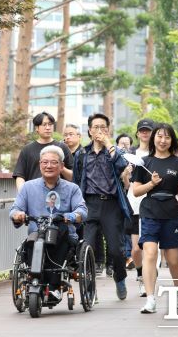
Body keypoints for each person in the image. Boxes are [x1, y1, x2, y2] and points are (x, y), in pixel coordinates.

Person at [9, 145, 87, 300]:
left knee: (58, 231)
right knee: (33, 240)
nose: (48, 166)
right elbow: (14, 209)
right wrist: (18, 215)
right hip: (36, 234)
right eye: (45, 162)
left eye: (53, 162)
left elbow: (82, 211)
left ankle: (54, 286)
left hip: (63, 235)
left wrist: (70, 216)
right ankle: (34, 279)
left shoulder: (72, 189)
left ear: (62, 166)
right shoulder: (28, 188)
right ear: (40, 164)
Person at [132, 123, 178, 314]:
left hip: (171, 212)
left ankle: (177, 289)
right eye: (159, 136)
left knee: (174, 259)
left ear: (172, 140)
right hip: (149, 211)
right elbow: (135, 191)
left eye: (167, 137)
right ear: (153, 138)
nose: (162, 140)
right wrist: (151, 183)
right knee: (150, 254)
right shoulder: (144, 162)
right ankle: (150, 299)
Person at [73, 113, 132, 300]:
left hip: (111, 204)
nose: (99, 130)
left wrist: (108, 144)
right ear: (89, 131)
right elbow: (76, 180)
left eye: (103, 127)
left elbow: (122, 165)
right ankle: (90, 289)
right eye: (95, 127)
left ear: (108, 130)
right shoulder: (82, 154)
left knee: (116, 249)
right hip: (89, 204)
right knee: (87, 249)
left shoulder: (115, 151)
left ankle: (120, 277)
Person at [126, 118, 155, 297]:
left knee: (151, 248)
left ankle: (148, 278)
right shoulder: (130, 154)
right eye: (142, 130)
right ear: (137, 133)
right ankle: (139, 272)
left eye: (148, 130)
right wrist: (126, 174)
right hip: (135, 203)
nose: (145, 133)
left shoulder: (159, 152)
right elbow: (125, 183)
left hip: (154, 203)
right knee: (136, 249)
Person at [13, 112, 73, 191]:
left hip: (58, 195)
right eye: (44, 125)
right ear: (37, 128)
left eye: (50, 124)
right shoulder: (27, 150)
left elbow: (73, 176)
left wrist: (60, 167)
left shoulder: (62, 147)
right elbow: (20, 176)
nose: (48, 128)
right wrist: (23, 194)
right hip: (34, 194)